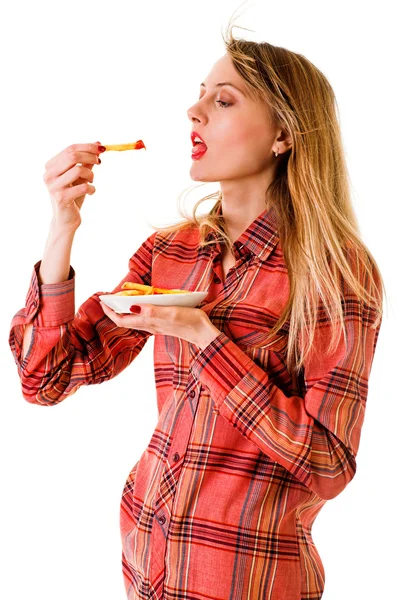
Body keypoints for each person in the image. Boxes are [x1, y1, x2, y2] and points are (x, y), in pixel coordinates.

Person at [9, 24, 384, 600]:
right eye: (200, 93)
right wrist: (62, 224)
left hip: (248, 581)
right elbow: (46, 379)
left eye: (223, 99)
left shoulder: (334, 272)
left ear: (283, 134)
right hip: (147, 567)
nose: (193, 110)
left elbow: (328, 466)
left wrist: (205, 339)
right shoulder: (171, 253)